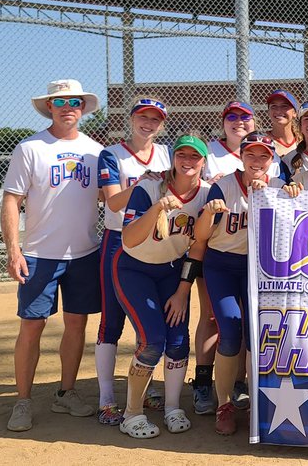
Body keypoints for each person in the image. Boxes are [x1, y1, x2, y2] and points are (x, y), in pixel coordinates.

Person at [2, 79, 104, 432]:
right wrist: (14, 249)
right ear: (49, 107)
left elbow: (110, 196)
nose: (67, 107)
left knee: (77, 323)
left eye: (74, 101)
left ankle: (66, 392)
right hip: (39, 254)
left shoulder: (95, 149)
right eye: (59, 101)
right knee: (32, 326)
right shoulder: (30, 148)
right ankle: (23, 401)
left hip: (84, 252)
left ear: (83, 107)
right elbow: (12, 200)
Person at [184, 132, 286, 435]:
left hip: (259, 268)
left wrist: (287, 193)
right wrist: (212, 211)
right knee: (229, 327)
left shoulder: (279, 187)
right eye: (251, 154)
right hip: (222, 264)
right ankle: (224, 402)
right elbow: (201, 237)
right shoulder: (224, 185)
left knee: (258, 333)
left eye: (264, 155)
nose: (257, 161)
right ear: (241, 156)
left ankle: (258, 401)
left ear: (272, 159)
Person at [114, 135, 211, 439]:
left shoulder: (207, 193)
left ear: (204, 162)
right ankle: (131, 414)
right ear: (172, 159)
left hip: (171, 271)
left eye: (195, 156)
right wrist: (156, 209)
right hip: (134, 269)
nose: (188, 161)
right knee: (153, 340)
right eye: (181, 154)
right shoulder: (149, 187)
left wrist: (183, 290)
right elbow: (129, 239)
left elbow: (198, 247)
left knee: (179, 341)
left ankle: (172, 407)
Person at [94, 97, 171, 426]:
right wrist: (145, 182)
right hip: (119, 242)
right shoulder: (112, 154)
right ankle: (106, 398)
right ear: (131, 119)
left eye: (155, 119)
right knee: (112, 320)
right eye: (143, 117)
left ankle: (146, 389)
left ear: (162, 124)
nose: (148, 123)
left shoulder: (167, 154)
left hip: (158, 242)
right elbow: (112, 204)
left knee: (152, 319)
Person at [205, 101, 285, 183]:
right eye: (231, 117)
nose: (239, 122)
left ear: (255, 123)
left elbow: (284, 186)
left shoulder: (270, 154)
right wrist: (209, 186)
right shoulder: (208, 150)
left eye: (245, 117)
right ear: (223, 123)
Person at [265, 89, 301, 158]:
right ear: (268, 112)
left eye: (284, 106)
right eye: (274, 106)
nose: (278, 110)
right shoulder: (262, 141)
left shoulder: (302, 142)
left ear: (294, 113)